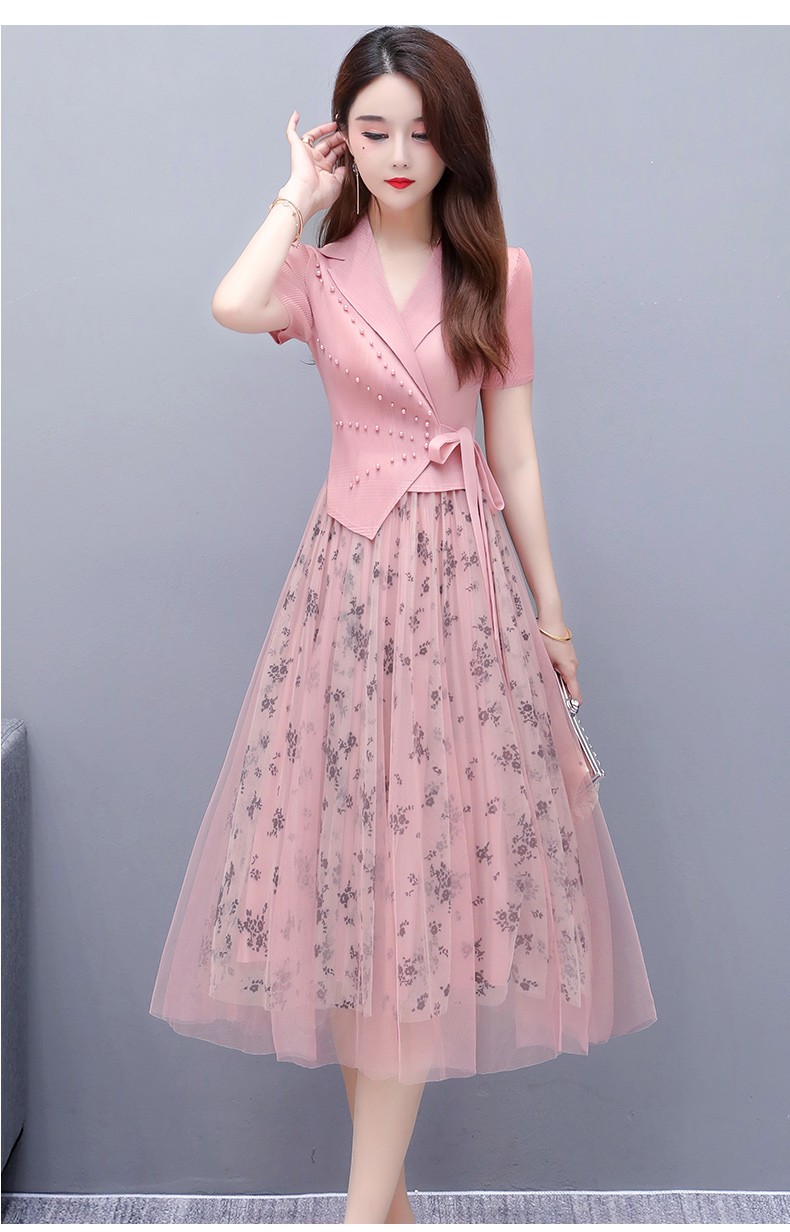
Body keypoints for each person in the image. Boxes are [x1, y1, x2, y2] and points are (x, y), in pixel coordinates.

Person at [150, 25, 658, 1224]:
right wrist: (294, 194)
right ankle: (384, 1208)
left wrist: (552, 617)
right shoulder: (315, 274)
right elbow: (229, 302)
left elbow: (514, 456)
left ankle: (362, 1212)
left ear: (452, 143)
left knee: (418, 905)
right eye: (372, 131)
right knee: (350, 900)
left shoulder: (498, 273)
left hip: (462, 596)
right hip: (345, 592)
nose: (395, 154)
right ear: (345, 139)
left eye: (418, 133)